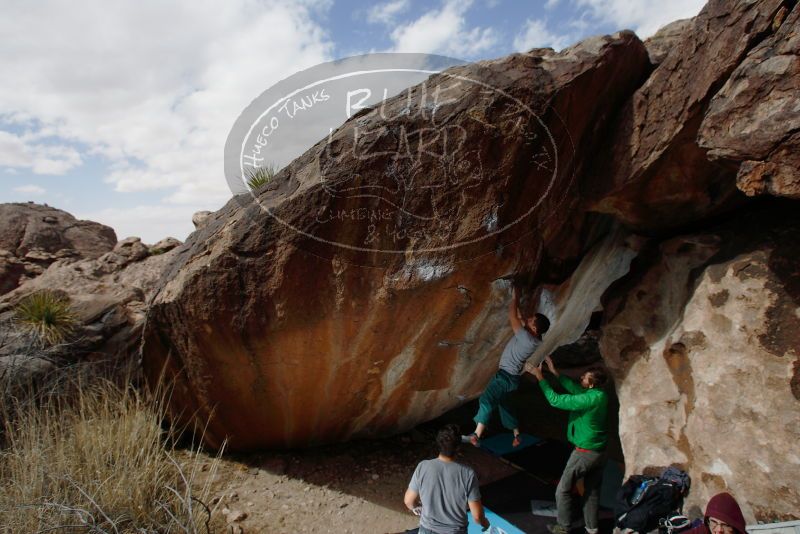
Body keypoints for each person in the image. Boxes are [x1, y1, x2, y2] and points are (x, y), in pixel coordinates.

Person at [464, 287, 550, 448]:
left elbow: (512, 317)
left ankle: (476, 435)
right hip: (513, 379)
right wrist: (519, 307)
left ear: (534, 329)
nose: (529, 319)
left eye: (532, 320)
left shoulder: (526, 338)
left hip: (505, 377)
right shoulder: (535, 338)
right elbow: (519, 317)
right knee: (506, 405)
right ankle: (516, 434)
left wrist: (515, 296)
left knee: (487, 400)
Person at [531, 356, 609, 534]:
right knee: (591, 492)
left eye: (584, 378)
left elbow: (556, 400)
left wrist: (539, 377)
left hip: (585, 454)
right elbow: (574, 388)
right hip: (600, 453)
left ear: (591, 384)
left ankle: (563, 528)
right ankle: (592, 528)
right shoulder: (599, 395)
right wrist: (555, 373)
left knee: (563, 491)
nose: (581, 378)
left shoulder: (589, 400)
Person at [404, 424, 490, 534]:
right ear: (458, 447)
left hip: (427, 530)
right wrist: (485, 523)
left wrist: (417, 508)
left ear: (438, 444)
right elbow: (477, 516)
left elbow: (408, 501)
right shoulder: (468, 473)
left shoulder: (423, 466)